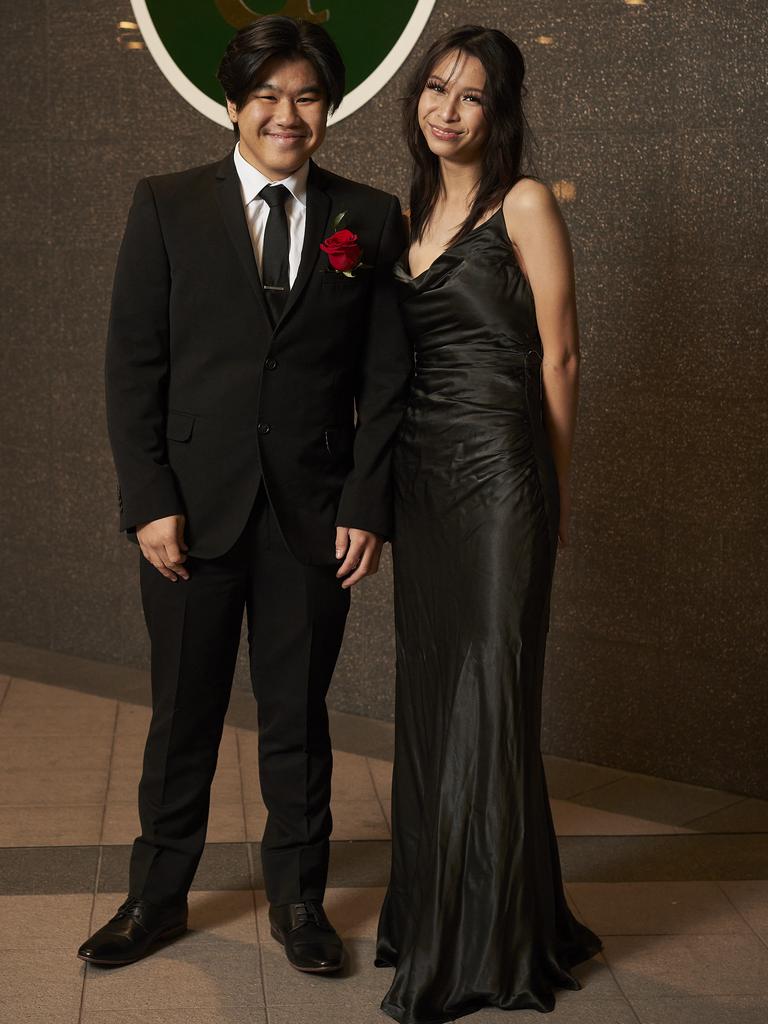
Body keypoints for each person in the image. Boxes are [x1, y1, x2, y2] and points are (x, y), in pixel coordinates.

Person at [78, 15, 410, 973]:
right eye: (266, 96)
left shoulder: (367, 216)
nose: (286, 114)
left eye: (305, 96)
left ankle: (301, 901)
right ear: (231, 105)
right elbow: (131, 366)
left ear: (329, 106)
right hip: (189, 509)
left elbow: (385, 380)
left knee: (298, 716)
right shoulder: (167, 205)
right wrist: (148, 499)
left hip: (314, 516)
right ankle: (156, 898)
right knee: (182, 711)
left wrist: (365, 502)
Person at [376, 25, 603, 1023]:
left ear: (497, 112)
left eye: (470, 97)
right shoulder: (406, 210)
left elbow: (561, 355)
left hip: (504, 470)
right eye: (435, 89)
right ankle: (437, 912)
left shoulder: (527, 201)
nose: (446, 110)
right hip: (422, 480)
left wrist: (553, 490)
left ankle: (493, 942)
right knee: (432, 685)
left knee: (493, 690)